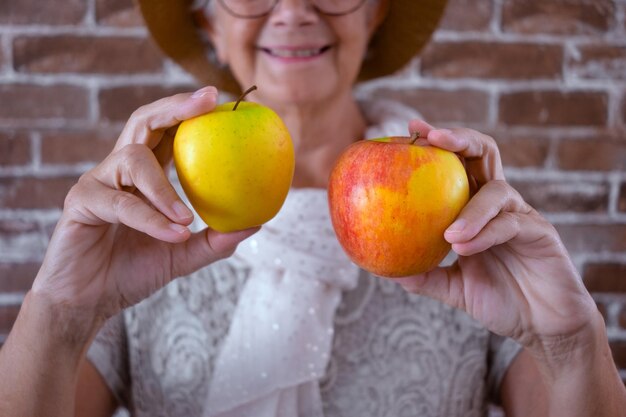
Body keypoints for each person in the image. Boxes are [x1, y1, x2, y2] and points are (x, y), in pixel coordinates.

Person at [0, 0, 624, 416]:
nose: (295, 10)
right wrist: (58, 315)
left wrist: (570, 345)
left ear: (375, 13)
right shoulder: (140, 223)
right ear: (208, 21)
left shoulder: (464, 225)